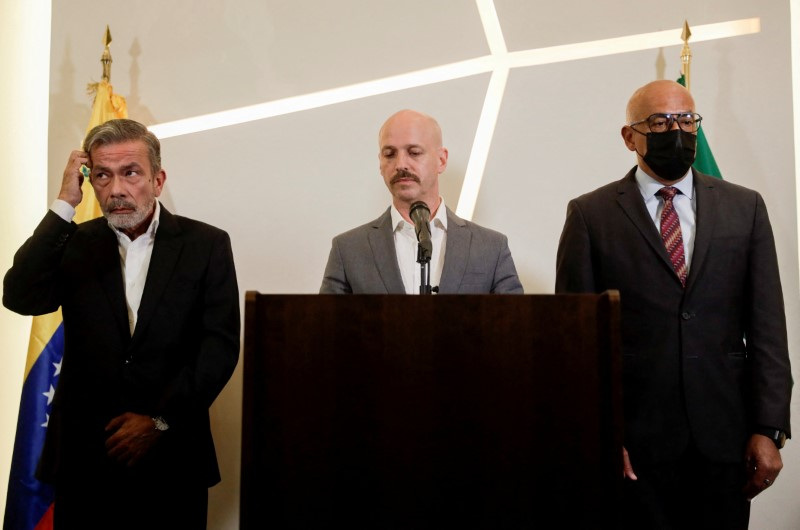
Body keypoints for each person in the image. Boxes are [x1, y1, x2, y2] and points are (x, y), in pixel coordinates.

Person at [555, 80, 792, 529]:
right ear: (629, 137)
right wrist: (600, 434)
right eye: (660, 121)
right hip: (635, 449)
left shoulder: (746, 208)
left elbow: (768, 329)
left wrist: (770, 427)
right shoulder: (590, 215)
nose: (676, 131)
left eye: (686, 120)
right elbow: (578, 342)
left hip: (726, 441)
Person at [3, 119, 240, 529]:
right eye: (102, 175)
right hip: (85, 461)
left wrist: (159, 421)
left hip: (172, 456)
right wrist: (63, 204)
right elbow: (20, 295)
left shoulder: (206, 244)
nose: (116, 190)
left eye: (130, 173)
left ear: (158, 179)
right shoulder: (74, 242)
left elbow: (218, 349)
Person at [320, 109, 523, 294]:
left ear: (441, 160)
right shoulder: (347, 250)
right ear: (380, 164)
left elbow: (514, 328)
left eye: (414, 152)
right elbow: (328, 331)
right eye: (389, 154)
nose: (401, 164)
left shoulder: (492, 248)